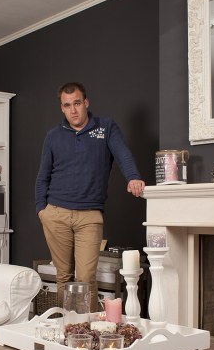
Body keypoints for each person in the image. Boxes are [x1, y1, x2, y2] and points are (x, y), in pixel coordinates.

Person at [35, 82, 145, 310]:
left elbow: (123, 154)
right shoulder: (53, 136)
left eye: (77, 103)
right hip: (56, 213)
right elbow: (42, 176)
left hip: (89, 216)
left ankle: (90, 325)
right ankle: (68, 325)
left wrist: (133, 176)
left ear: (86, 103)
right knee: (64, 276)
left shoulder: (105, 128)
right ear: (62, 108)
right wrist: (41, 210)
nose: (73, 110)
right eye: (67, 105)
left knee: (85, 277)